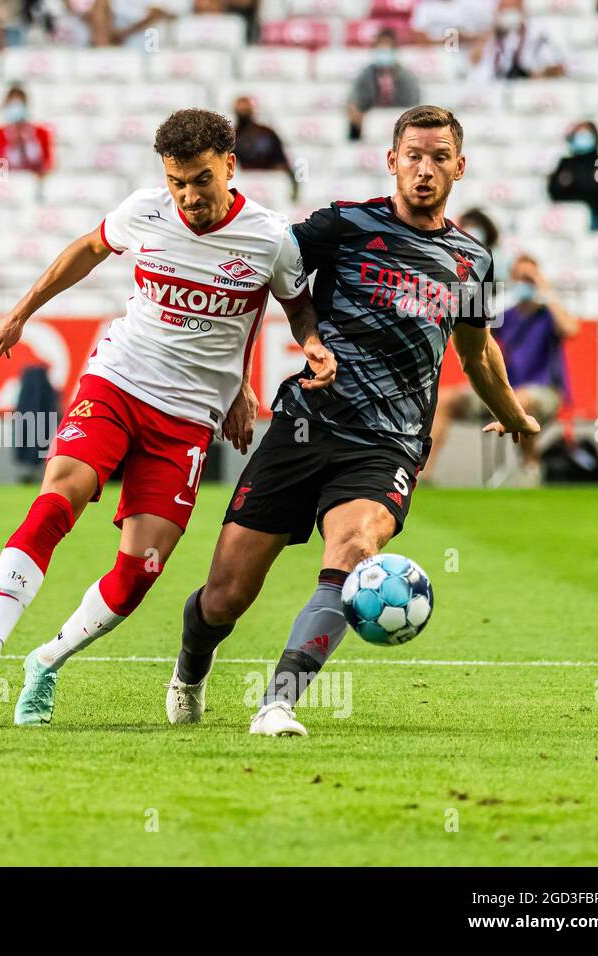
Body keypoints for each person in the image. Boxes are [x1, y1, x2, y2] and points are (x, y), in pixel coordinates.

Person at [0, 109, 326, 726]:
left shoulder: (269, 237)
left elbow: (289, 307)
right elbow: (89, 249)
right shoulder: (144, 211)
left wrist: (279, 361)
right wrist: (19, 314)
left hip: (187, 420)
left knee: (138, 573)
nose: (188, 196)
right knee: (59, 496)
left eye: (201, 180)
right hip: (118, 381)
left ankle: (45, 662)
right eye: (177, 182)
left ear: (230, 166)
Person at [166, 105, 538, 737]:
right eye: (413, 157)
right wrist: (240, 379)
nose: (425, 170)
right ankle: (190, 670)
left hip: (387, 444)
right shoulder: (344, 225)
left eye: (439, 158)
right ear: (392, 161)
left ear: (460, 166)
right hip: (306, 423)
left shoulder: (471, 261)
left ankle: (277, 701)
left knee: (354, 552)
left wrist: (516, 415)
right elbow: (266, 271)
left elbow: (475, 352)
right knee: (225, 597)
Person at [428, 253, 577, 480]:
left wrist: (544, 288)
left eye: (529, 278)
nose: (524, 283)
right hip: (507, 389)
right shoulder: (505, 316)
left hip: (545, 392)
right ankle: (425, 475)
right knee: (446, 400)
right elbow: (478, 342)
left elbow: (570, 329)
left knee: (521, 401)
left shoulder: (548, 315)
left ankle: (530, 466)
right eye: (520, 277)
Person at [346, 29, 421, 142]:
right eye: (380, 47)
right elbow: (353, 106)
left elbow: (414, 106)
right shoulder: (365, 75)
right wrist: (369, 125)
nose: (384, 51)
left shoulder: (406, 76)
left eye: (387, 48)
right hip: (371, 127)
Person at [547, 121, 598, 231]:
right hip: (568, 218)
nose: (582, 138)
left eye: (586, 134)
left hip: (597, 219)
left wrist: (573, 183)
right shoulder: (566, 163)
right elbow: (554, 191)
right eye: (578, 134)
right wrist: (586, 182)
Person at [469, 0, 565, 81]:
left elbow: (558, 68)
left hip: (529, 91)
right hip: (497, 91)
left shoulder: (537, 34)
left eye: (512, 9)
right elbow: (476, 73)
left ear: (522, 9)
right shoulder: (488, 38)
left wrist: (538, 74)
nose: (508, 13)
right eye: (504, 9)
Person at [232, 95, 296, 198]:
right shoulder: (231, 136)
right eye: (241, 109)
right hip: (243, 183)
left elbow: (281, 162)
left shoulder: (267, 133)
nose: (243, 112)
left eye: (246, 109)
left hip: (269, 181)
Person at [0, 86, 54, 176]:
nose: (16, 109)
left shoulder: (41, 133)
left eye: (19, 104)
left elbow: (47, 166)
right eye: (12, 105)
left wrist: (28, 143)